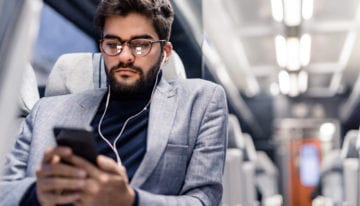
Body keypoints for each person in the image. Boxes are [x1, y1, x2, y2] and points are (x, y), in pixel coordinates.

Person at [0, 0, 228, 205]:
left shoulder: (201, 101)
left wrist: (130, 200)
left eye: (140, 45)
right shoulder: (46, 111)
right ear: (102, 48)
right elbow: (4, 191)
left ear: (165, 52)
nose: (124, 56)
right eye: (113, 44)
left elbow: (203, 200)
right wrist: (38, 193)